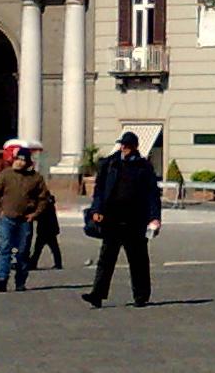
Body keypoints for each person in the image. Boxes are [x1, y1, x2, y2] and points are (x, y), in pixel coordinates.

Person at [83, 130, 162, 309]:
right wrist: (97, 209)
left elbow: (152, 194)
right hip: (112, 217)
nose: (124, 148)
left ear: (134, 147)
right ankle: (97, 294)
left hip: (136, 219)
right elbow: (99, 190)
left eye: (127, 145)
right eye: (122, 145)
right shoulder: (111, 163)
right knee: (106, 258)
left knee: (138, 259)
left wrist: (155, 218)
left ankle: (141, 296)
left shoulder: (144, 167)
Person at [0, 146, 48, 292]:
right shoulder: (6, 174)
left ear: (28, 162)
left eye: (23, 160)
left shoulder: (36, 178)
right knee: (5, 248)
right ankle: (2, 279)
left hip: (25, 220)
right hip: (7, 217)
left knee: (22, 251)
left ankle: (20, 281)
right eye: (18, 159)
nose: (19, 162)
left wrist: (35, 214)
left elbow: (43, 198)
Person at [26, 182, 64, 272]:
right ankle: (58, 263)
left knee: (39, 248)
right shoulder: (49, 203)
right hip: (50, 228)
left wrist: (34, 216)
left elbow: (41, 214)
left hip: (45, 229)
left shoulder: (45, 204)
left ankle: (33, 264)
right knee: (52, 247)